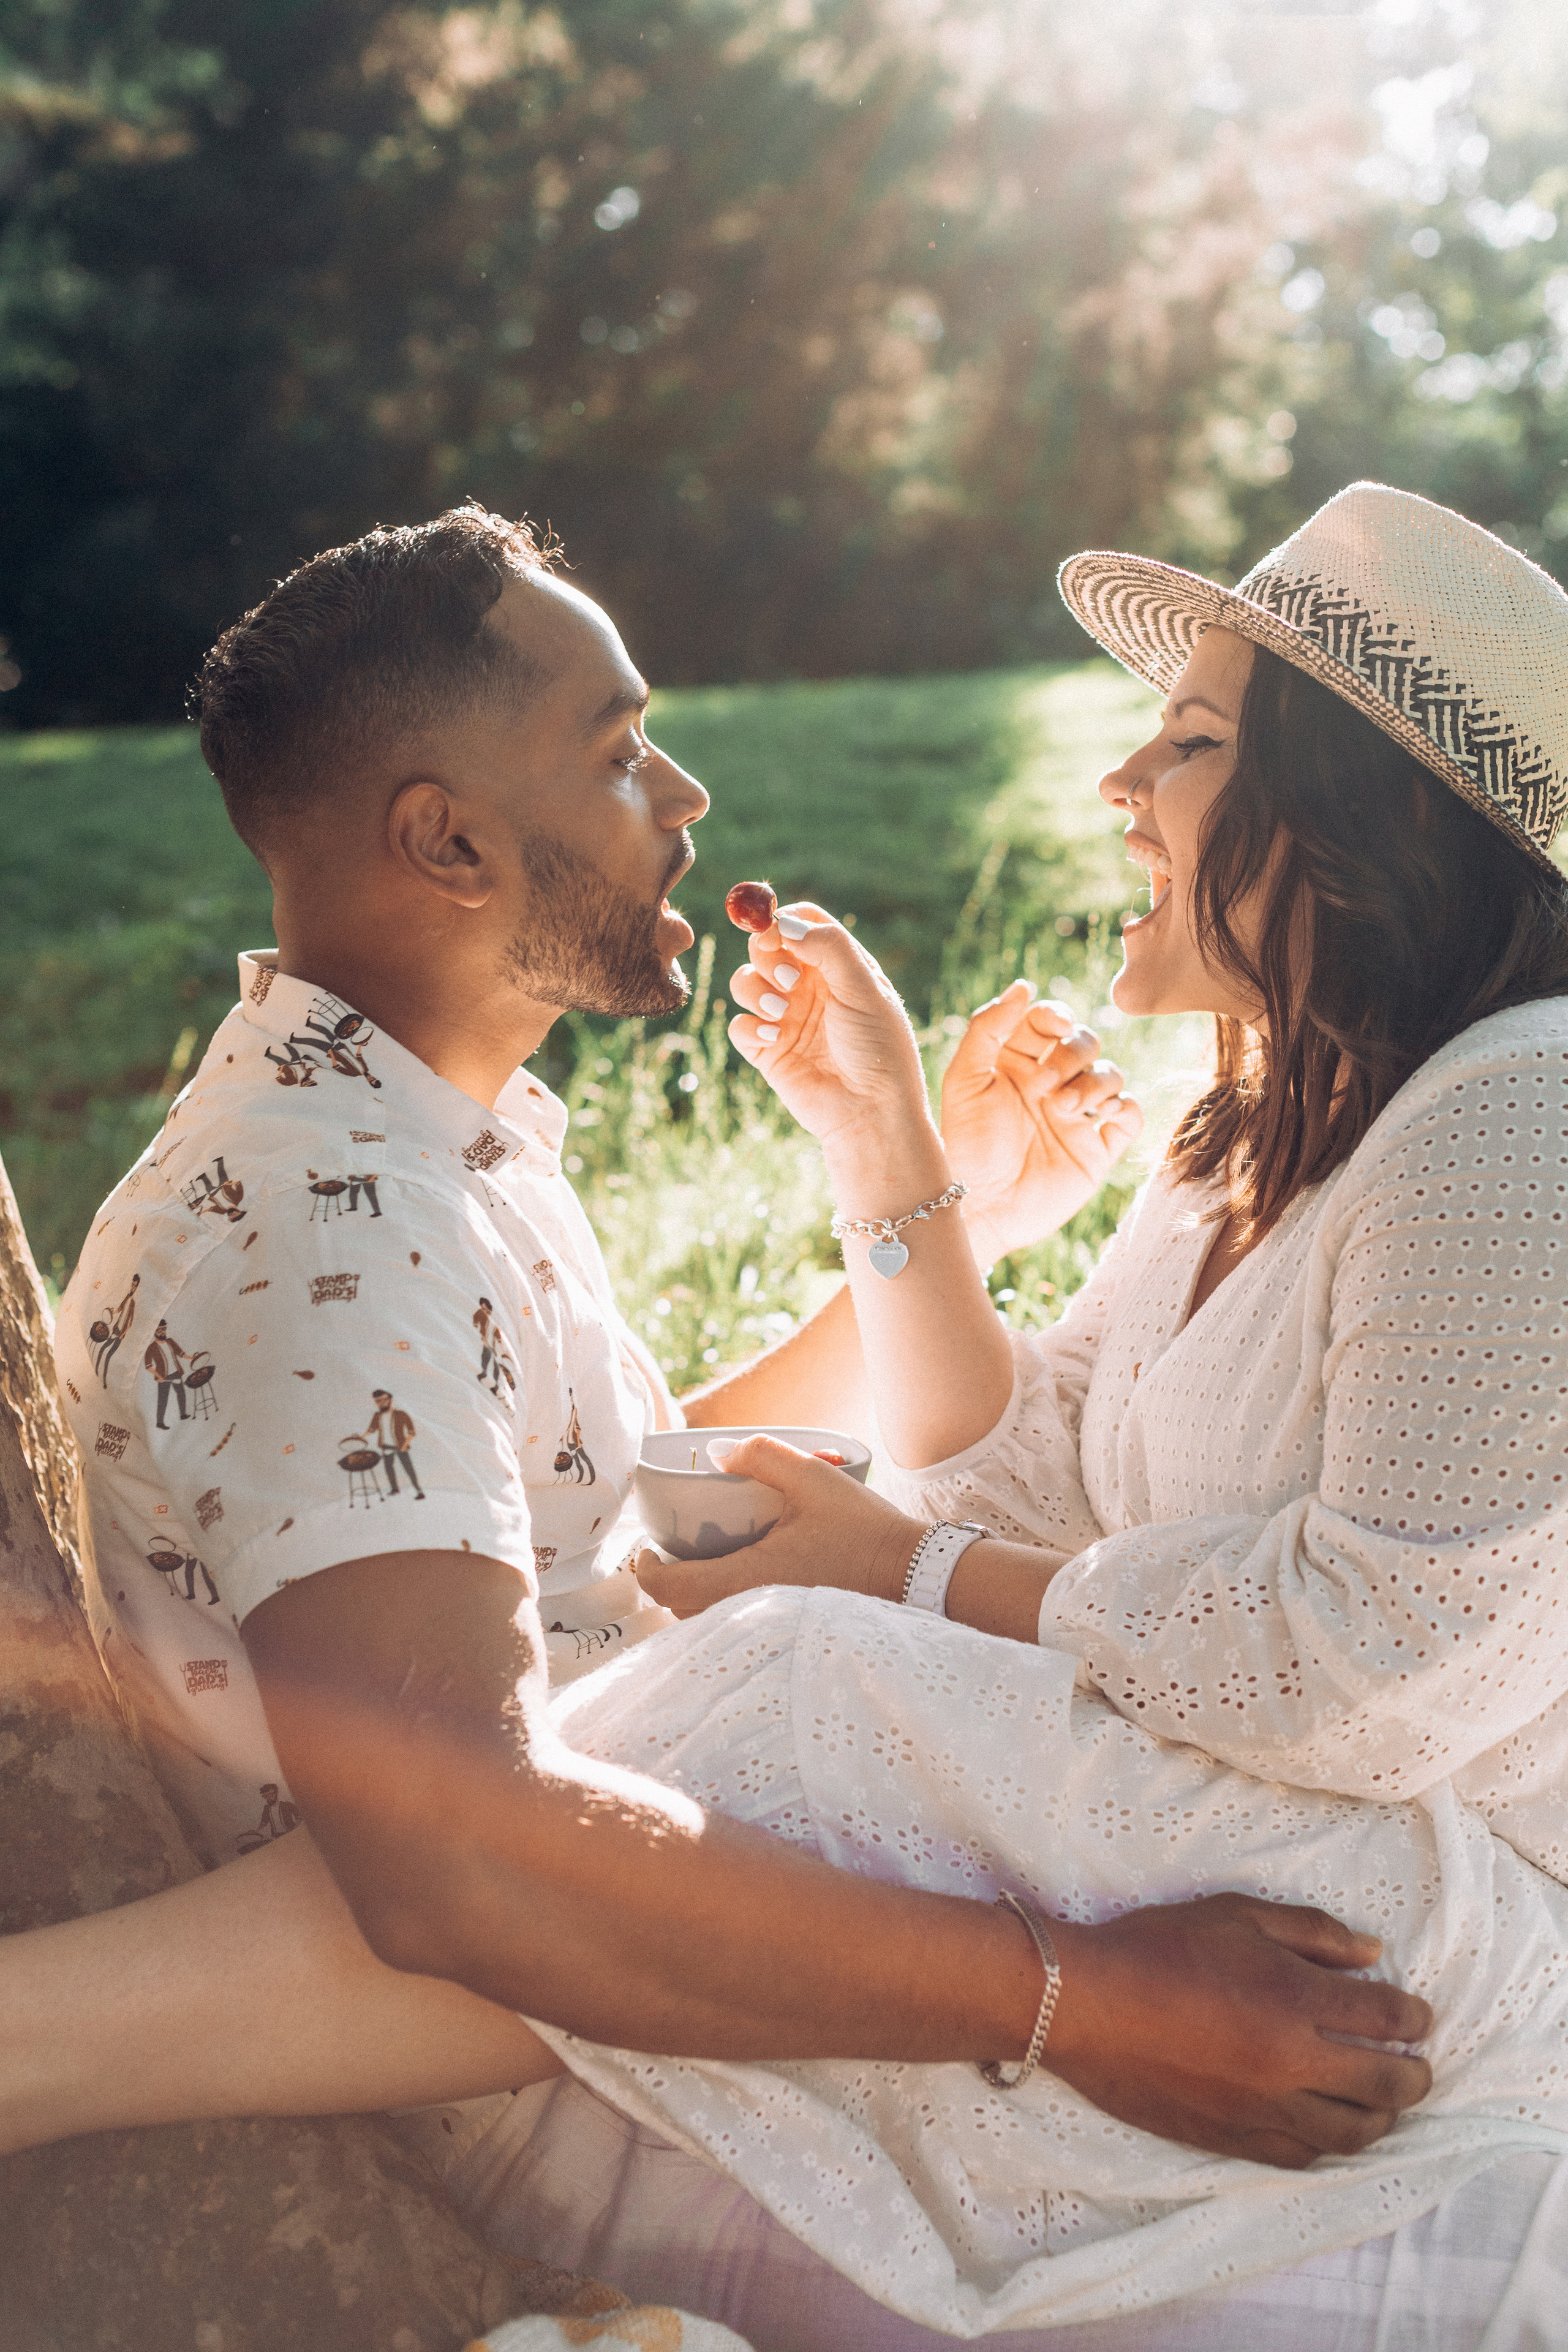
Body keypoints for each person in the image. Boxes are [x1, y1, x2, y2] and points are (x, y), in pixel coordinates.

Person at [15, 507, 1424, 2245]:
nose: (684, 797)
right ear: (446, 838)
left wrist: (928, 1189)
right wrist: (1088, 1999)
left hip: (671, 1987)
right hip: (605, 2066)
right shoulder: (327, 1222)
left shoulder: (418, 1154)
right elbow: (465, 1865)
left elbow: (608, 1521)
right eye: (618, 754)